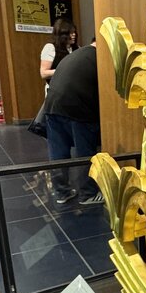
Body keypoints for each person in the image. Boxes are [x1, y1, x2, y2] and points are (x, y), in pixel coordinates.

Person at [44, 39, 103, 206]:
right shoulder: (99, 58)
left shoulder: (76, 54)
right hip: (78, 108)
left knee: (58, 153)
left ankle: (62, 192)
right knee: (85, 152)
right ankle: (88, 194)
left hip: (52, 105)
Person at [40, 18, 78, 91]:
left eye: (74, 32)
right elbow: (44, 73)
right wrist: (65, 70)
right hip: (56, 90)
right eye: (70, 33)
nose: (74, 35)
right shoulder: (50, 48)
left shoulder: (77, 48)